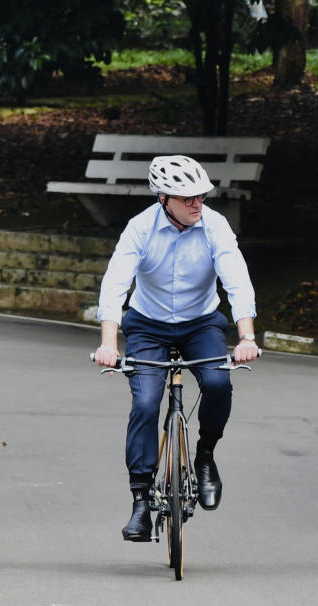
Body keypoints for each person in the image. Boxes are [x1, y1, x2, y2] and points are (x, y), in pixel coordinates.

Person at [93, 155, 259, 542]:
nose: (197, 204)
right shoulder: (140, 228)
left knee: (218, 384)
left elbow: (236, 280)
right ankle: (139, 501)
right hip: (148, 326)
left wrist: (246, 337)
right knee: (147, 403)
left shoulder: (215, 226)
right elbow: (116, 283)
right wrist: (107, 342)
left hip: (200, 323)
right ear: (164, 198)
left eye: (201, 196)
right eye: (187, 198)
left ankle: (204, 458)